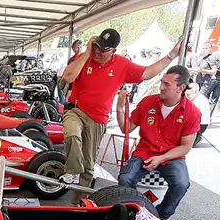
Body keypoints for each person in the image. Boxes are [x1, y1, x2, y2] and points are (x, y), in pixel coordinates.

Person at [58, 28, 183, 198]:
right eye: (96, 46)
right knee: (72, 134)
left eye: (103, 50)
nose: (98, 52)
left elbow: (148, 72)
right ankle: (72, 170)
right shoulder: (86, 58)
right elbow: (68, 77)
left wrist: (171, 55)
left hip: (98, 118)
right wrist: (87, 52)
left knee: (88, 164)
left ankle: (77, 202)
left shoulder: (122, 64)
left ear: (113, 51)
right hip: (76, 110)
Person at [116, 66, 200, 220]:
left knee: (182, 184)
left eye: (167, 84)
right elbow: (126, 129)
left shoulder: (192, 112)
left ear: (180, 88)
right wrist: (120, 107)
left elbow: (185, 147)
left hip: (171, 156)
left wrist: (162, 158)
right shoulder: (148, 102)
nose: (161, 87)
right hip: (144, 152)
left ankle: (160, 217)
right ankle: (131, 214)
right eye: (162, 82)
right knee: (124, 179)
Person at [198, 38, 220, 115]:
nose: (218, 45)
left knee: (203, 97)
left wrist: (201, 70)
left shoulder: (216, 54)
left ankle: (201, 115)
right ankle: (209, 116)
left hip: (212, 78)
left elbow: (211, 69)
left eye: (219, 44)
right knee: (214, 99)